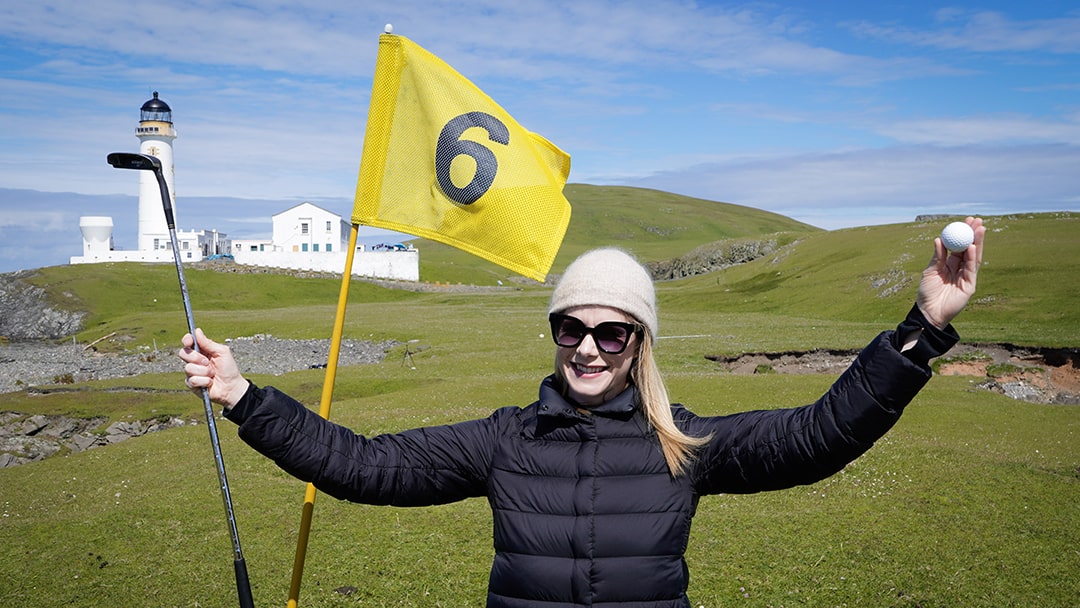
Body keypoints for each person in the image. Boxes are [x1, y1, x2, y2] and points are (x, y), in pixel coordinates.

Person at [180, 218, 985, 608]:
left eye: (611, 330)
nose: (589, 347)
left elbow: (820, 436)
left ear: (639, 342)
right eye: (572, 326)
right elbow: (364, 464)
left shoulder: (685, 445)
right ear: (555, 332)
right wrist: (246, 398)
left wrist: (923, 329)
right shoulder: (505, 440)